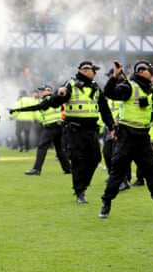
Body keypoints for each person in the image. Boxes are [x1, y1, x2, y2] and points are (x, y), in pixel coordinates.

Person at [98, 60, 153, 219]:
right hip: (126, 138)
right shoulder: (128, 86)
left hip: (143, 138)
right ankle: (106, 204)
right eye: (151, 70)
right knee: (117, 173)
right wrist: (115, 77)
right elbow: (109, 93)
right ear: (142, 71)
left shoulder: (151, 90)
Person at [50, 61, 115, 204]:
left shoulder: (96, 88)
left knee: (95, 159)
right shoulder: (70, 85)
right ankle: (79, 191)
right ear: (85, 71)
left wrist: (112, 127)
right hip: (75, 129)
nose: (95, 73)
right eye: (93, 70)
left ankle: (82, 185)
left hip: (91, 130)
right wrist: (59, 95)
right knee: (78, 160)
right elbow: (54, 103)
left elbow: (105, 110)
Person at [8, 85, 71, 175]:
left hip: (51, 127)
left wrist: (16, 110)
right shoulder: (53, 99)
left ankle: (36, 169)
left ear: (48, 91)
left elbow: (35, 107)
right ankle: (68, 169)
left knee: (42, 147)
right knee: (59, 149)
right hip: (58, 126)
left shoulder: (49, 99)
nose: (40, 92)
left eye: (42, 90)